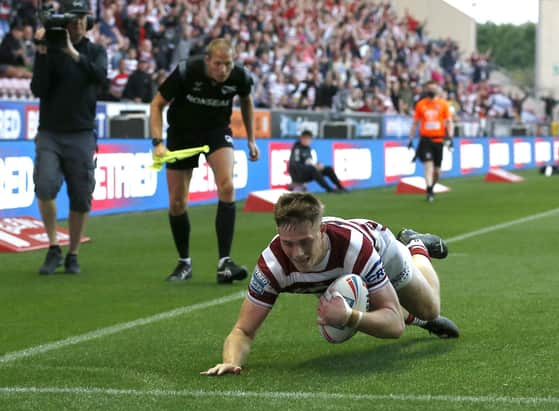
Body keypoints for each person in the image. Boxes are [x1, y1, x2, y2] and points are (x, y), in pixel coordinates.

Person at [201, 192, 459, 376]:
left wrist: (348, 316)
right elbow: (243, 331)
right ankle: (413, 317)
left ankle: (417, 246)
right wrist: (230, 361)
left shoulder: (355, 249)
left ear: (321, 230)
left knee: (431, 310)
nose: (298, 253)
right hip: (340, 274)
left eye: (305, 241)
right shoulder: (272, 265)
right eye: (288, 243)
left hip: (383, 250)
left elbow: (393, 326)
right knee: (360, 300)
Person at [150, 38, 260, 283]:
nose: (223, 70)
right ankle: (184, 263)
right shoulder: (186, 71)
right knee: (177, 202)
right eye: (218, 64)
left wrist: (251, 139)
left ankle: (225, 263)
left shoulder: (240, 76)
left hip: (216, 131)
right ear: (207, 60)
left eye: (228, 64)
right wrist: (157, 142)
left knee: (227, 186)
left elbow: (246, 101)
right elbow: (157, 105)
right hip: (181, 133)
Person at [30, 0, 107, 274]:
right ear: (64, 21)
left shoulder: (96, 51)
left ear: (88, 22)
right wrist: (42, 53)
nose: (77, 24)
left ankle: (72, 253)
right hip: (50, 130)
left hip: (82, 132)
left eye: (82, 19)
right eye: (73, 19)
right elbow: (37, 88)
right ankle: (53, 246)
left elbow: (101, 77)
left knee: (81, 195)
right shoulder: (49, 49)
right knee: (44, 184)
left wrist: (72, 52)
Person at [408, 80, 454, 203]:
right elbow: (415, 123)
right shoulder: (421, 104)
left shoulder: (443, 104)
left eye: (433, 88)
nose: (431, 90)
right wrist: (411, 139)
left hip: (438, 140)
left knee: (437, 171)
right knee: (428, 165)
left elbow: (449, 121)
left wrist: (450, 137)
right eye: (429, 88)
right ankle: (429, 191)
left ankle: (432, 186)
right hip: (426, 140)